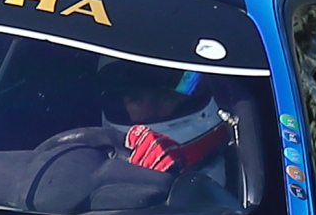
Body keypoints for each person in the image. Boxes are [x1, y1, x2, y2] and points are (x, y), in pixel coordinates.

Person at [97, 58, 233, 174]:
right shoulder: (93, 171)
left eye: (165, 97)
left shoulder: (247, 178)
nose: (147, 112)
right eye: (134, 99)